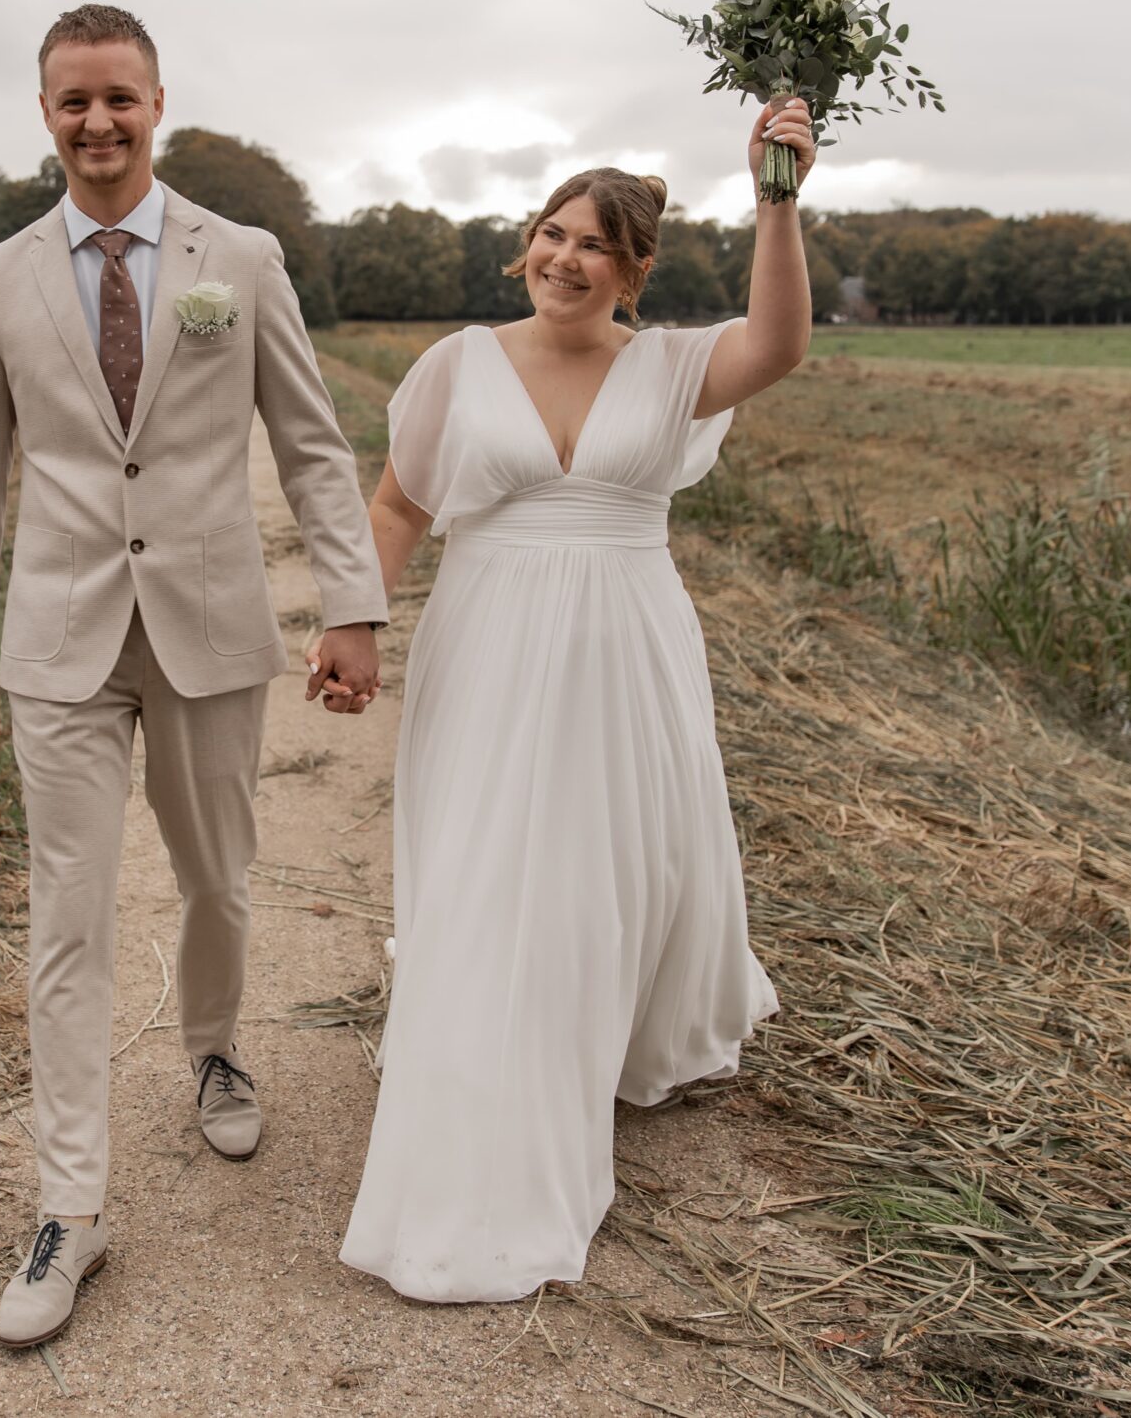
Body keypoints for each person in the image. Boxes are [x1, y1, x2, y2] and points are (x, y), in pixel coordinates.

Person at [0, 3, 388, 1346]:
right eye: (74, 100)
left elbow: (309, 440)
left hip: (206, 625)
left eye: (119, 97)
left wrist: (352, 599)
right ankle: (70, 1203)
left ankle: (214, 1044)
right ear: (45, 112)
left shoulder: (235, 257)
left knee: (218, 880)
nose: (98, 122)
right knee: (66, 918)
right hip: (59, 645)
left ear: (158, 102)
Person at [331, 96, 817, 1302]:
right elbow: (397, 506)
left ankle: (605, 1031)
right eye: (551, 232)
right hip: (486, 641)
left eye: (593, 243)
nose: (563, 256)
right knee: (496, 863)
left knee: (618, 861)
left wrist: (776, 198)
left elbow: (782, 343)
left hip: (626, 644)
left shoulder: (672, 366)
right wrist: (355, 620)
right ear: (525, 245)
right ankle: (496, 1073)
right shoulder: (458, 361)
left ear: (633, 269)